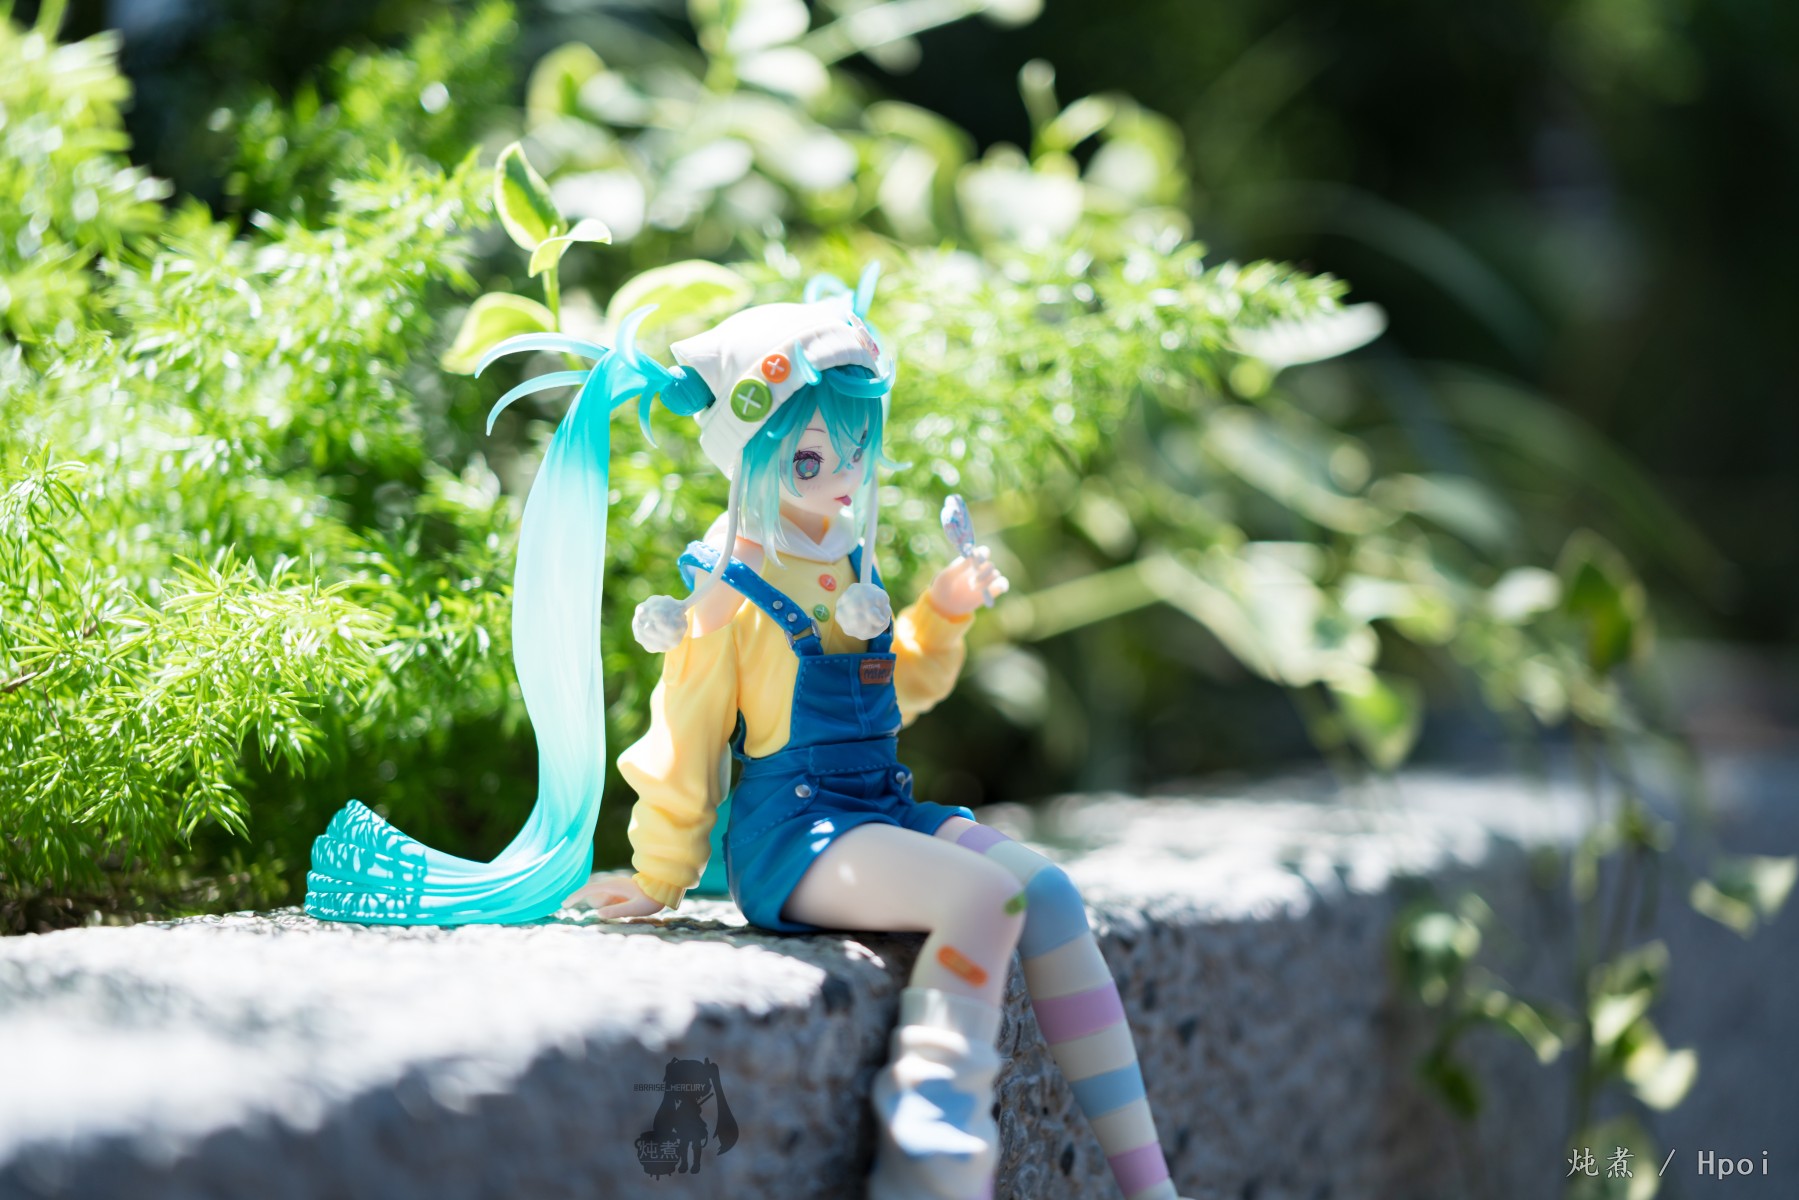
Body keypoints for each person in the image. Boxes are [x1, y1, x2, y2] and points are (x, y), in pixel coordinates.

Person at [307, 268, 1191, 1200]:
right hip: (795, 835)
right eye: (810, 459)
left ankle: (1148, 1184)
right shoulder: (728, 589)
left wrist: (943, 609)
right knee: (981, 898)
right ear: (753, 451)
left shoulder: (846, 555)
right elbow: (685, 730)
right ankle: (932, 1147)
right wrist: (661, 870)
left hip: (877, 808)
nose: (841, 474)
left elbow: (898, 689)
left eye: (855, 449)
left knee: (1045, 891)